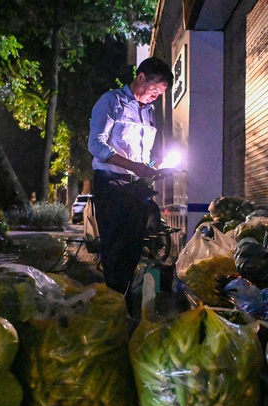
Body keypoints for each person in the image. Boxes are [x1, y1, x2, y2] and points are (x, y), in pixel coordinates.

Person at [87, 57, 174, 309]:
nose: (155, 97)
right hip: (111, 184)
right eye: (155, 89)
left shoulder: (148, 113)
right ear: (141, 77)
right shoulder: (111, 102)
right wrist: (134, 166)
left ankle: (122, 302)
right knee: (114, 248)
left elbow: (144, 157)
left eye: (160, 94)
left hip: (136, 187)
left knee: (134, 247)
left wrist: (156, 165)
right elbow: (96, 145)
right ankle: (114, 306)